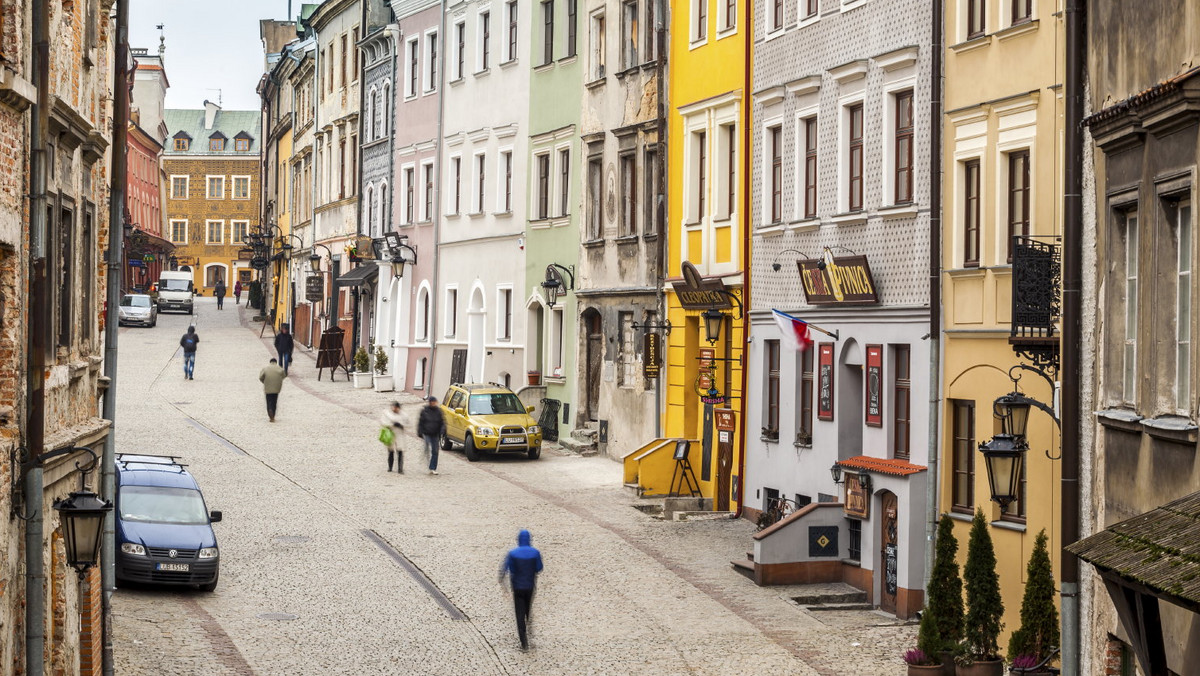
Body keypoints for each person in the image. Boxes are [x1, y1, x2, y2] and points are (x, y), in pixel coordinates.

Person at [498, 529, 543, 651]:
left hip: (517, 586)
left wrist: (502, 581)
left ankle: (524, 642)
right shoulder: (535, 552)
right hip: (530, 586)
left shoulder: (513, 553)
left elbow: (507, 568)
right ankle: (529, 626)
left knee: (519, 612)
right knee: (528, 607)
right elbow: (539, 567)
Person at [416, 396, 445, 475]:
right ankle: (425, 462)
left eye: (434, 402)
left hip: (435, 433)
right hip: (427, 433)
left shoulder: (439, 411)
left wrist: (442, 430)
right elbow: (420, 422)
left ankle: (432, 467)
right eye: (431, 402)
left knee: (435, 451)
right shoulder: (425, 411)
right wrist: (419, 431)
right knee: (427, 448)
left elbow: (442, 422)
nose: (433, 403)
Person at [380, 402, 406, 473]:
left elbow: (408, 423)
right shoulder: (387, 413)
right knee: (391, 452)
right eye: (393, 407)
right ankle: (390, 467)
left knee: (400, 452)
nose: (394, 409)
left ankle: (400, 469)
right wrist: (392, 424)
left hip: (399, 435)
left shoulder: (403, 415)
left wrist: (401, 425)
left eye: (396, 407)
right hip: (390, 435)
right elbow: (383, 422)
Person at [259, 358, 286, 422]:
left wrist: (265, 382)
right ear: (276, 362)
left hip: (268, 388)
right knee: (274, 401)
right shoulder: (280, 368)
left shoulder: (265, 369)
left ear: (270, 362)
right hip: (276, 388)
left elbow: (260, 377)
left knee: (268, 401)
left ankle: (269, 411)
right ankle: (273, 414)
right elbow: (284, 376)